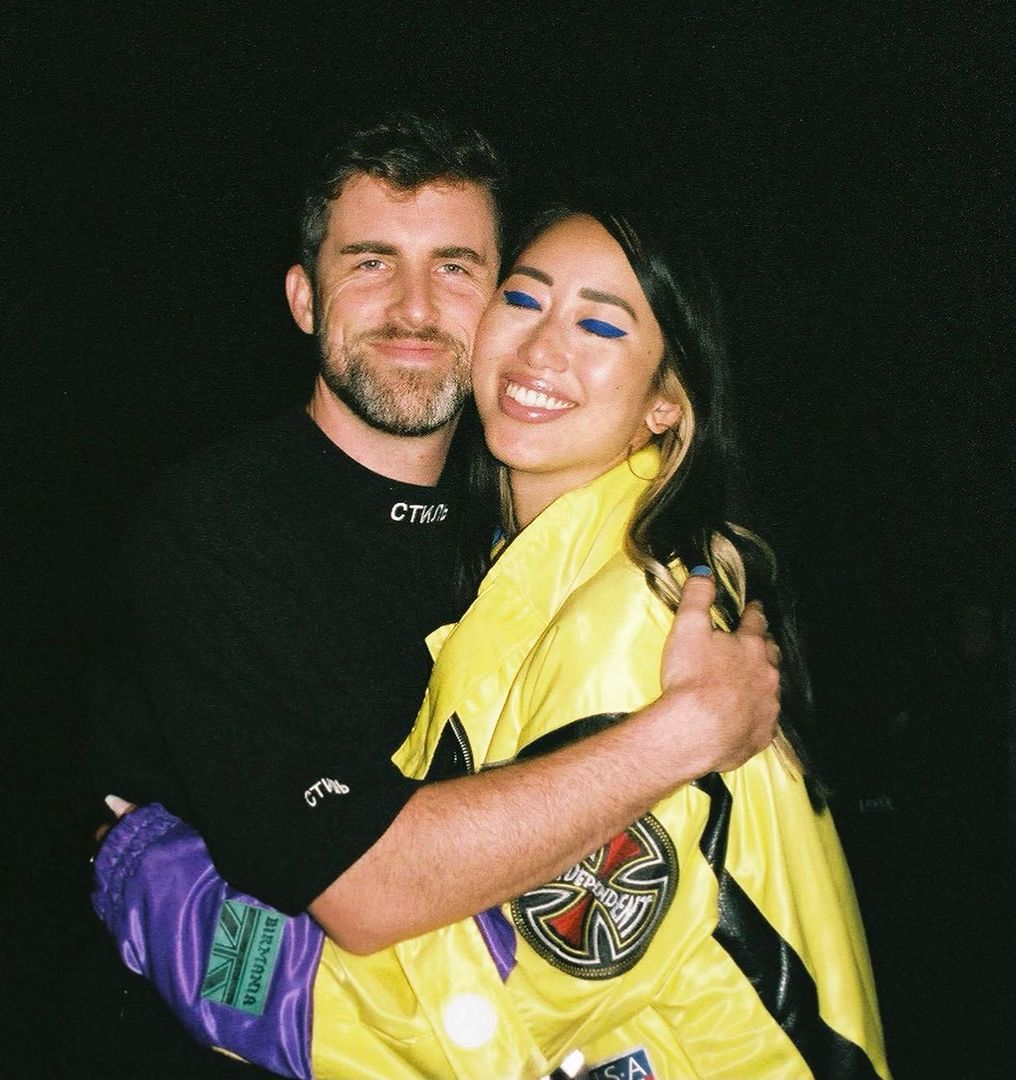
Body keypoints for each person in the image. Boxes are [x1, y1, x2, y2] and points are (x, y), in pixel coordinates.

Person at [94, 201, 889, 1078]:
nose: (543, 348)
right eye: (525, 299)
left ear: (666, 402)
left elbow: (468, 1024)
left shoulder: (645, 624)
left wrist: (166, 895)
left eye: (599, 325)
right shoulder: (513, 593)